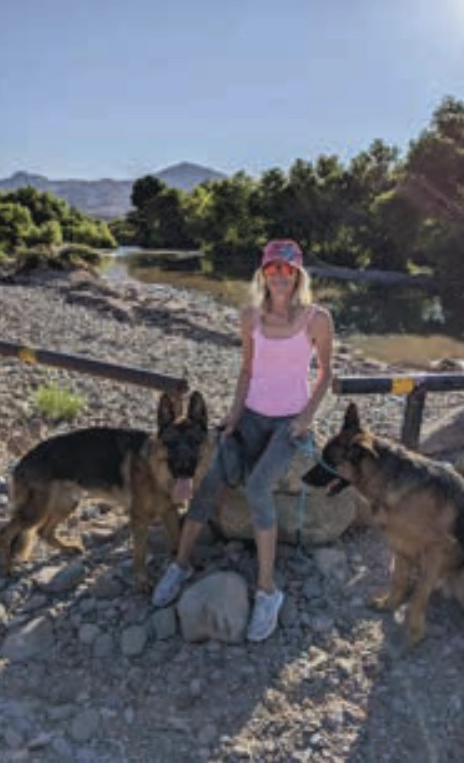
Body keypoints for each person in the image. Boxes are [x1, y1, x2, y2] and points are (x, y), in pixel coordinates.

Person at [152, 239, 334, 642]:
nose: (280, 277)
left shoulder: (317, 319)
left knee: (256, 487)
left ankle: (268, 591)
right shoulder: (250, 316)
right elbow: (247, 371)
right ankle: (181, 563)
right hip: (250, 417)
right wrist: (233, 417)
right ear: (263, 273)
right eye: (273, 270)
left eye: (288, 270)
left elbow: (324, 376)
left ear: (299, 274)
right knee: (213, 478)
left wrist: (306, 418)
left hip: (288, 423)